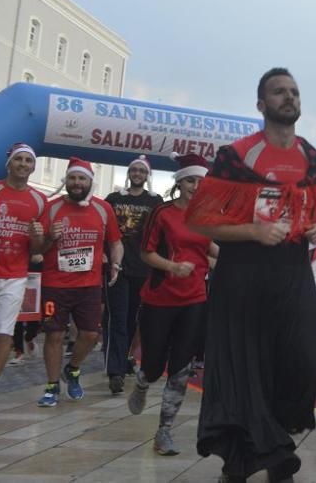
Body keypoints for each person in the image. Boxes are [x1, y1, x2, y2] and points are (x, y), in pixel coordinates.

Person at [186, 68, 316, 483]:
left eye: (295, 92)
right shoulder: (236, 156)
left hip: (292, 274)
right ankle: (251, 463)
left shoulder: (315, 160)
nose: (289, 98)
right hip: (242, 275)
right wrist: (252, 231)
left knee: (302, 362)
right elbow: (200, 221)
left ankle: (274, 444)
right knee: (243, 371)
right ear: (261, 104)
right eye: (279, 92)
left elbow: (315, 212)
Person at [127, 153, 216, 456]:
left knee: (181, 368)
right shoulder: (162, 213)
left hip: (195, 299)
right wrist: (171, 267)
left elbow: (212, 249)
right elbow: (145, 253)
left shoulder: (207, 216)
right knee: (153, 367)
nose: (196, 186)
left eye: (201, 181)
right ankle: (142, 382)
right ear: (180, 182)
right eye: (191, 180)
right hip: (160, 297)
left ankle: (164, 431)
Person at [34, 158, 123, 406]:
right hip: (55, 284)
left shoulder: (103, 209)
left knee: (91, 334)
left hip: (89, 286)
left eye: (81, 178)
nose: (76, 183)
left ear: (89, 182)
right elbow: (36, 248)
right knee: (54, 335)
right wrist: (50, 237)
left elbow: (116, 242)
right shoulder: (51, 208)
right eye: (72, 178)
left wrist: (116, 263)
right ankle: (52, 387)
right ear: (67, 180)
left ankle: (72, 369)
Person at [103, 154, 163, 394]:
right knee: (116, 319)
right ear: (129, 173)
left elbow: (162, 232)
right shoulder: (114, 198)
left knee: (132, 319)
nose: (137, 174)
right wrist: (103, 254)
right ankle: (115, 372)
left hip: (144, 268)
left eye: (142, 171)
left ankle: (124, 358)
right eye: (134, 170)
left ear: (147, 175)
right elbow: (103, 228)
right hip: (118, 268)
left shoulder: (155, 200)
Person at [0, 144, 47, 382]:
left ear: (34, 167)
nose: (24, 164)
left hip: (15, 276)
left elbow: (38, 249)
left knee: (4, 333)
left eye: (29, 160)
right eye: (19, 159)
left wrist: (37, 237)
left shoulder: (39, 200)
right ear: (9, 164)